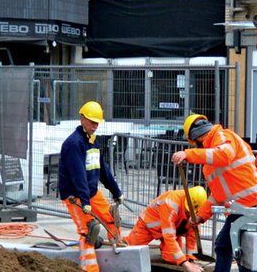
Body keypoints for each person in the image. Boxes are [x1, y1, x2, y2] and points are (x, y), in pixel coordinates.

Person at [170, 114, 257, 272]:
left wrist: (188, 154)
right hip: (242, 208)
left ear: (195, 138)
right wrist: (200, 216)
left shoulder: (222, 136)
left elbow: (224, 155)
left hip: (252, 205)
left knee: (244, 252)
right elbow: (217, 194)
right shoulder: (210, 161)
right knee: (224, 247)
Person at [60, 101, 124, 271]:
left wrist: (116, 191)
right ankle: (90, 268)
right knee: (90, 230)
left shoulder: (91, 141)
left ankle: (121, 252)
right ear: (82, 119)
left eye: (97, 123)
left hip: (91, 193)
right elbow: (78, 174)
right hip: (76, 196)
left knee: (112, 219)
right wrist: (85, 201)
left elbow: (103, 169)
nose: (95, 126)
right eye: (92, 122)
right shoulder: (74, 144)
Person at [124, 186, 214, 272]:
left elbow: (192, 237)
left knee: (174, 258)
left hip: (171, 231)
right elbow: (169, 236)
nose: (188, 213)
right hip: (148, 226)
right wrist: (185, 264)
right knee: (129, 249)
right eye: (187, 211)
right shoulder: (171, 203)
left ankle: (165, 249)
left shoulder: (197, 213)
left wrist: (190, 260)